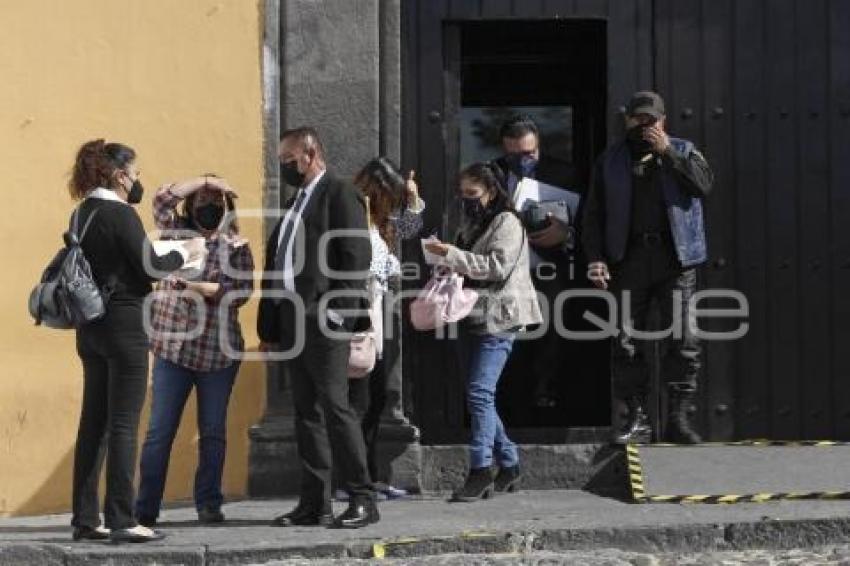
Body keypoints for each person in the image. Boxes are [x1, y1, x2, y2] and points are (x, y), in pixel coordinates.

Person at [67, 140, 204, 542]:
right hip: (125, 325)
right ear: (119, 174)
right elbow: (151, 265)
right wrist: (186, 251)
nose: (138, 180)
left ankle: (86, 519)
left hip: (89, 328)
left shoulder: (82, 214)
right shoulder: (120, 213)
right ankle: (124, 519)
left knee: (93, 424)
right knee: (124, 424)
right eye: (136, 173)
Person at [257, 127, 377, 528]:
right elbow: (279, 267)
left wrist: (336, 313)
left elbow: (356, 255)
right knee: (305, 413)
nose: (286, 168)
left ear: (310, 154)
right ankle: (315, 502)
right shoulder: (296, 203)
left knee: (335, 408)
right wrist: (271, 328)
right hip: (293, 322)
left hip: (324, 321)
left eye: (289, 161)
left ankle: (362, 497)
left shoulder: (339, 193)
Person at [582, 91, 713, 445]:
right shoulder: (610, 160)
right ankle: (636, 419)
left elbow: (703, 185)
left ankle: (678, 418)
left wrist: (667, 151)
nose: (644, 127)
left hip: (676, 260)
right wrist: (596, 257)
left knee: (684, 339)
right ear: (627, 120)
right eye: (638, 120)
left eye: (651, 121)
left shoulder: (683, 151)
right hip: (629, 259)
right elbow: (593, 215)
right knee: (624, 341)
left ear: (663, 121)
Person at [135, 175, 254, 527]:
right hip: (172, 350)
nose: (210, 205)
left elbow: (239, 291)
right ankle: (145, 508)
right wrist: (206, 179)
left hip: (218, 355)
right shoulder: (175, 235)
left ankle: (209, 504)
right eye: (203, 199)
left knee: (213, 433)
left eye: (217, 200)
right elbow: (160, 200)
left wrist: (194, 286)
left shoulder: (236, 246)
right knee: (159, 433)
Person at [424, 162, 542, 502]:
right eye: (462, 194)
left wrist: (454, 254)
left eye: (472, 194)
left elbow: (496, 266)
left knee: (479, 393)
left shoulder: (508, 222)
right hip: (471, 314)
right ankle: (510, 464)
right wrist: (445, 259)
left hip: (501, 316)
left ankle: (480, 471)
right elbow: (468, 263)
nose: (467, 200)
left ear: (491, 191)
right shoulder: (471, 221)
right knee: (480, 395)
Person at [492, 115, 583, 411]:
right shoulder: (491, 174)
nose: (522, 161)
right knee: (506, 331)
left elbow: (590, 221)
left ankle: (546, 392)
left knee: (552, 328)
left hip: (549, 264)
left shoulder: (564, 174)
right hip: (506, 268)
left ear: (539, 146)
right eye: (513, 155)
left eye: (529, 154)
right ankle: (507, 396)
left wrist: (567, 232)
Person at [346, 157, 424, 499]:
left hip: (377, 308)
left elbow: (408, 229)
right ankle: (352, 481)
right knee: (358, 400)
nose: (394, 205)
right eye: (390, 197)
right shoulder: (355, 220)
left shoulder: (379, 222)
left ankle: (371, 477)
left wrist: (413, 200)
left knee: (377, 397)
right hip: (359, 310)